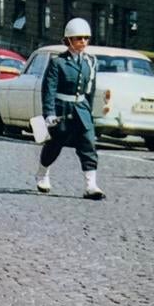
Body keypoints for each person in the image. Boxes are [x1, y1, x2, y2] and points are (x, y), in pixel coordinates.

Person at [36, 18, 105, 200]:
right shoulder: (58, 63)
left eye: (85, 38)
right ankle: (43, 172)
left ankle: (91, 185)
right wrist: (49, 113)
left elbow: (91, 89)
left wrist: (87, 110)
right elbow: (48, 89)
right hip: (62, 108)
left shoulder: (90, 62)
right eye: (78, 38)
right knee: (55, 144)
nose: (83, 42)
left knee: (88, 143)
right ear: (68, 41)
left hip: (81, 108)